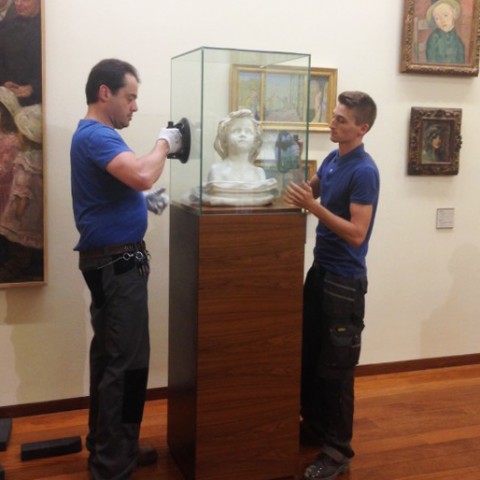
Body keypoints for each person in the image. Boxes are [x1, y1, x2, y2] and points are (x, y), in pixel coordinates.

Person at [70, 58, 182, 480]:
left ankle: (109, 446)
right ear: (105, 93)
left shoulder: (97, 137)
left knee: (110, 359)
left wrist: (142, 199)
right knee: (127, 363)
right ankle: (113, 464)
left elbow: (127, 184)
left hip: (113, 263)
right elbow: (138, 173)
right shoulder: (97, 134)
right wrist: (164, 143)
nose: (134, 106)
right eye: (130, 96)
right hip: (118, 265)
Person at [284, 91, 379, 480]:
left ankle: (339, 451)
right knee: (310, 356)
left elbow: (357, 234)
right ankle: (317, 428)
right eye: (334, 117)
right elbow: (309, 192)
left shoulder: (364, 170)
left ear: (362, 127)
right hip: (320, 273)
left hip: (344, 282)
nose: (333, 124)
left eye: (341, 120)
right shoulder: (332, 158)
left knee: (337, 370)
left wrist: (314, 208)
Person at [198, 109, 277, 206]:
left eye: (248, 131)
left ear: (255, 141)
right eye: (236, 130)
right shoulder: (216, 171)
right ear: (225, 139)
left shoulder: (259, 173)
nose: (243, 134)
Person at [0, 102, 43, 282]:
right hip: (16, 196)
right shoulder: (30, 159)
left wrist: (19, 211)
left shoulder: (22, 161)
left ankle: (19, 264)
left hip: (12, 195)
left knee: (19, 238)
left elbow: (20, 186)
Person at [0, 0, 42, 105]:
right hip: (8, 92)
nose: (18, 4)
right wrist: (4, 81)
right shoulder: (5, 27)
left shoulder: (49, 28)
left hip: (39, 98)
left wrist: (33, 88)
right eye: (16, 0)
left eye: (24, 0)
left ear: (39, 2)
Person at [425, 0, 465, 64]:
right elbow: (431, 60)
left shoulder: (458, 40)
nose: (442, 20)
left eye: (446, 15)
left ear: (453, 14)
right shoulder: (433, 38)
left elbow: (461, 61)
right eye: (437, 18)